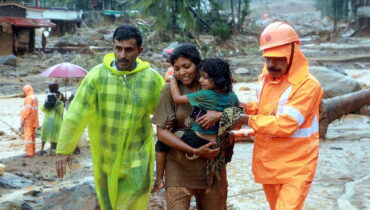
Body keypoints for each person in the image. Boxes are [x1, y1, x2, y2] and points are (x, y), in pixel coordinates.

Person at [55, 25, 164, 210]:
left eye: (129, 50)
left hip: (138, 156)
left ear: (140, 51)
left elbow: (166, 114)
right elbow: (77, 112)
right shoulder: (97, 76)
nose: (122, 55)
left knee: (132, 203)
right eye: (118, 48)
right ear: (112, 47)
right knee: (108, 203)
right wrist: (64, 149)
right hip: (105, 157)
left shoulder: (151, 79)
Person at [234, 22, 323, 210]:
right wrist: (244, 107)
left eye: (277, 59)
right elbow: (265, 109)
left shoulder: (308, 86)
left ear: (292, 53)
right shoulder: (265, 78)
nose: (271, 65)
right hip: (270, 162)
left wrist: (246, 119)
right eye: (267, 59)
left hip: (297, 166)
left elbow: (286, 124)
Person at [151, 43, 229, 210]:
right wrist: (193, 151)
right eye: (177, 68)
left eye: (187, 66)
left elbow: (236, 120)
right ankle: (159, 179)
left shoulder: (216, 88)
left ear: (198, 65)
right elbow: (162, 133)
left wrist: (221, 116)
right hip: (179, 169)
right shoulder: (170, 90)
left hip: (212, 169)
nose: (182, 73)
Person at [39, 83, 64, 156]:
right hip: (56, 119)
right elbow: (61, 111)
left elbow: (43, 109)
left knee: (45, 133)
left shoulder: (48, 97)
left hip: (47, 118)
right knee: (54, 134)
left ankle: (42, 149)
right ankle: (51, 150)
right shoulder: (59, 97)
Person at [20, 84, 39, 157]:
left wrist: (23, 120)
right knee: (32, 137)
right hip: (34, 120)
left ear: (26, 90)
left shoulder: (28, 98)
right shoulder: (34, 97)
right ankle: (33, 151)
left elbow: (27, 111)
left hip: (28, 121)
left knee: (28, 138)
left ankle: (29, 153)